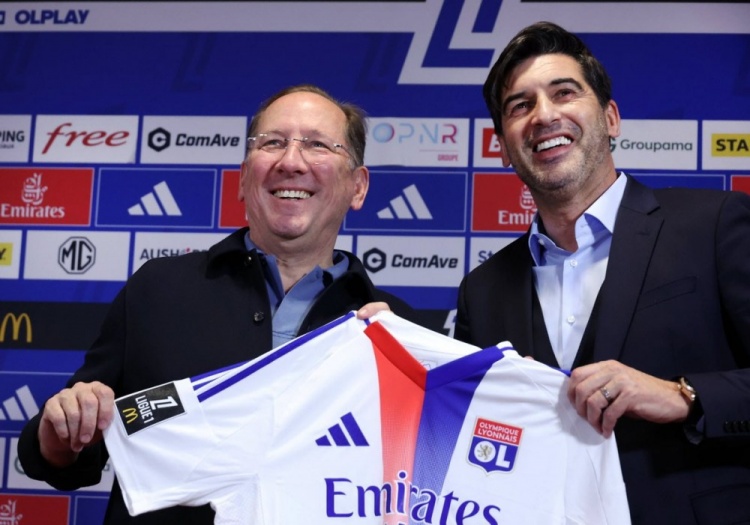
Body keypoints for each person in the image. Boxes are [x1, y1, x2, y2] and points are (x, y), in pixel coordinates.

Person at [18, 84, 420, 525]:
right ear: (244, 178)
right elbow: (67, 451)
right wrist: (63, 428)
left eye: (317, 145)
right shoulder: (158, 289)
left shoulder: (398, 331)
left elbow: (426, 486)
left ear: (357, 187)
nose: (291, 161)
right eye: (272, 143)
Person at [454, 21, 750, 524]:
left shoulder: (714, 224)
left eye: (564, 93)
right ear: (502, 146)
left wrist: (684, 395)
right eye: (520, 106)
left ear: (610, 118)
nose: (544, 115)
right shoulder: (482, 291)